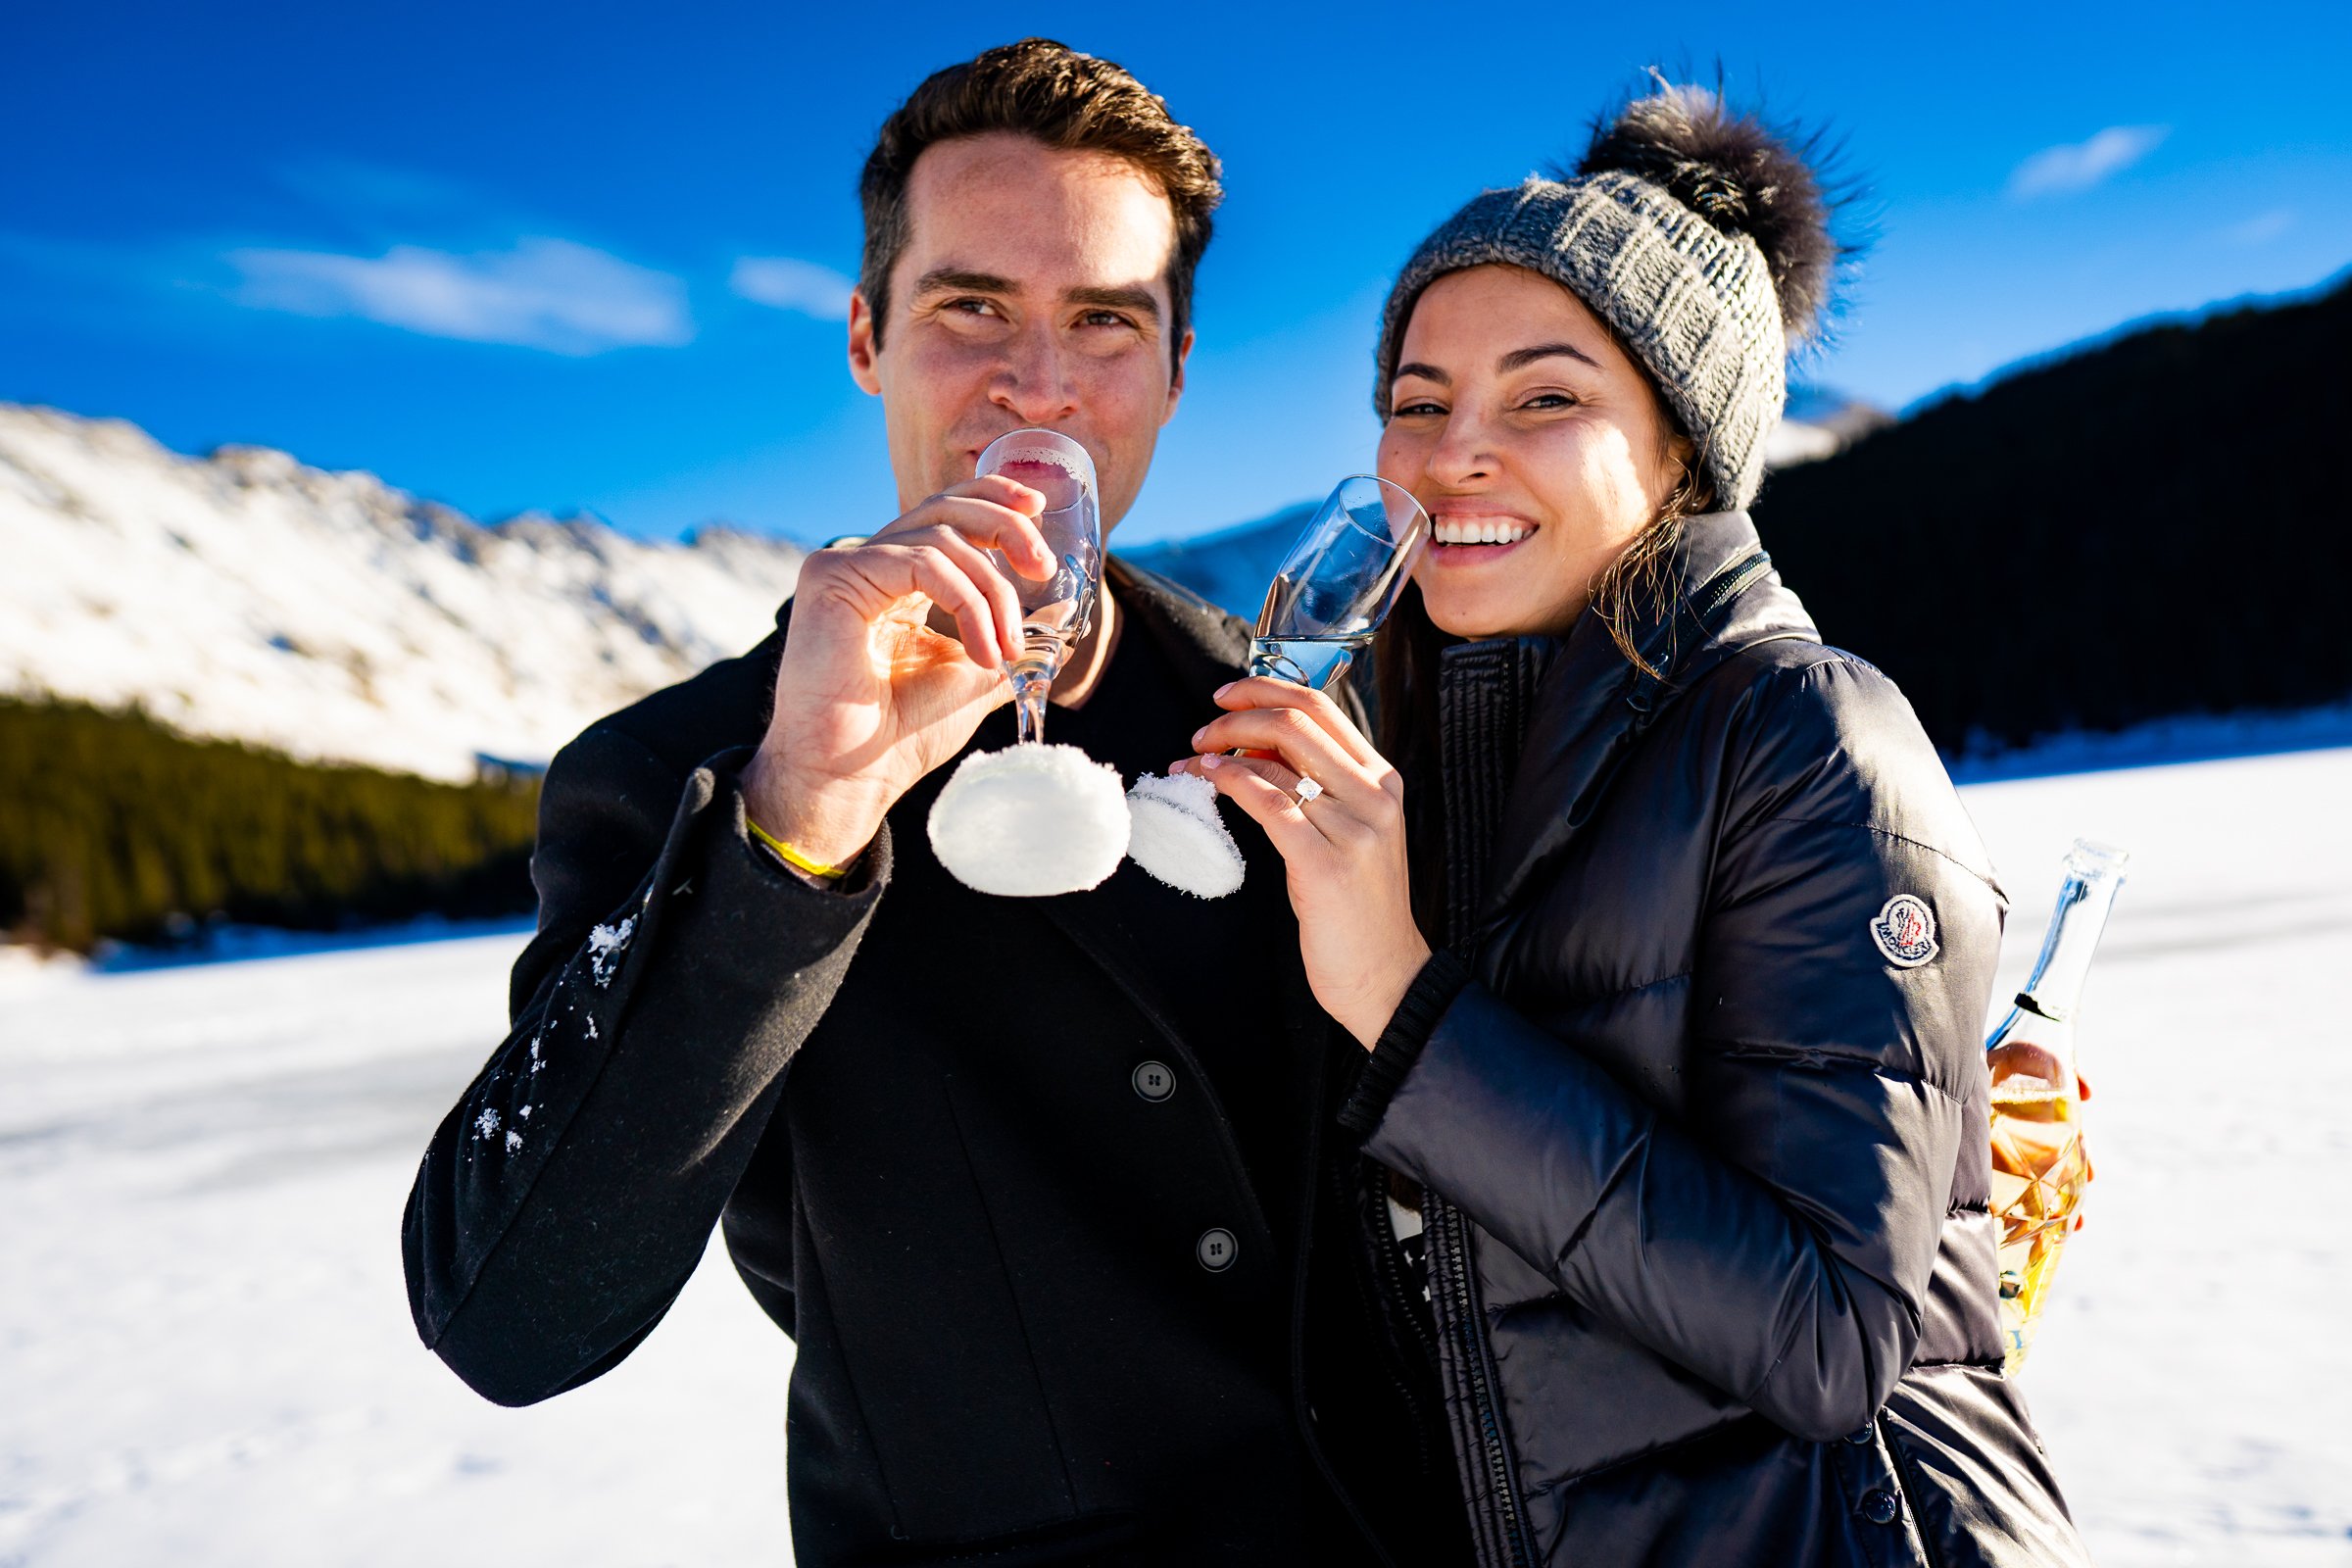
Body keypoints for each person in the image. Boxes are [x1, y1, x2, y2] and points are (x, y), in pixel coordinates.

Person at [402, 39, 1438, 1566]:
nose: (1040, 383)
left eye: (1104, 319)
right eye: (971, 308)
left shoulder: (1293, 702)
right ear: (867, 337)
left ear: (1173, 367)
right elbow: (509, 1314)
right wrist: (800, 811)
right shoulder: (674, 775)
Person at [1173, 86, 2094, 1565]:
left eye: (1546, 398)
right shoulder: (1413, 749)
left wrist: (1404, 1008)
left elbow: (1826, 1342)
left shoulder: (1801, 730)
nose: (1454, 452)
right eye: (1418, 401)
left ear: (1680, 451)